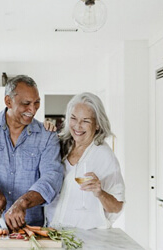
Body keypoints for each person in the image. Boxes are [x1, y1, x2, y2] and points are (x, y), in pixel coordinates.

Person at [0, 75, 63, 230]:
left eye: (37, 103)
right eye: (26, 103)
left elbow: (52, 178)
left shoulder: (47, 135)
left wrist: (23, 202)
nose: (33, 109)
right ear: (8, 101)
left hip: (31, 229)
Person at [46, 92, 125, 230]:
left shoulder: (104, 156)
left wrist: (100, 193)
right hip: (52, 230)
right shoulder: (59, 145)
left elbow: (116, 207)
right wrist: (43, 131)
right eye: (74, 118)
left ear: (97, 125)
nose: (77, 126)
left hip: (85, 237)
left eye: (86, 121)